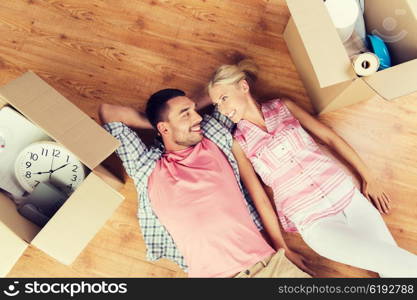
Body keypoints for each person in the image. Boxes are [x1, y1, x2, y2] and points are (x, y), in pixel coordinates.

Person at [206, 59, 417, 277]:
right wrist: (282, 247)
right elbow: (259, 197)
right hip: (315, 221)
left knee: (394, 268)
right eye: (216, 105)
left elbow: (330, 138)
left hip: (348, 196)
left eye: (223, 98)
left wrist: (368, 178)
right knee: (393, 260)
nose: (222, 109)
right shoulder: (239, 142)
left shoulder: (283, 107)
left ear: (243, 86)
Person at [98, 89, 311, 278]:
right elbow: (108, 112)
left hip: (268, 268)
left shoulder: (213, 136)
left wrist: (283, 248)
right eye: (186, 113)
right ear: (163, 128)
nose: (197, 117)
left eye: (194, 109)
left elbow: (225, 87)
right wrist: (158, 124)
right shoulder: (146, 166)